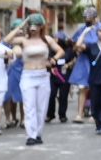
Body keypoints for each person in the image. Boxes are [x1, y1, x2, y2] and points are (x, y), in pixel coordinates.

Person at [4, 14, 61, 145]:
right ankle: (31, 135)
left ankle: (38, 134)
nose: (33, 28)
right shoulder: (23, 40)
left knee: (42, 107)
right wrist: (21, 25)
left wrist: (53, 60)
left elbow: (60, 51)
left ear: (41, 27)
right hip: (28, 76)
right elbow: (7, 40)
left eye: (36, 25)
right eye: (31, 26)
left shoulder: (46, 39)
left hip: (43, 76)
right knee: (29, 106)